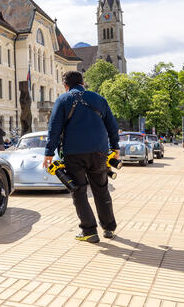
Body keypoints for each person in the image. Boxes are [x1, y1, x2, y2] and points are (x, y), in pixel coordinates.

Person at [43, 71, 119, 244]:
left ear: (65, 85)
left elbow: (54, 129)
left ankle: (89, 231)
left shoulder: (63, 100)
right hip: (99, 152)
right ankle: (109, 228)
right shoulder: (99, 99)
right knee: (101, 189)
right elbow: (112, 126)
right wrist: (115, 148)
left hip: (73, 153)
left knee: (78, 191)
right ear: (83, 82)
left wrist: (48, 153)